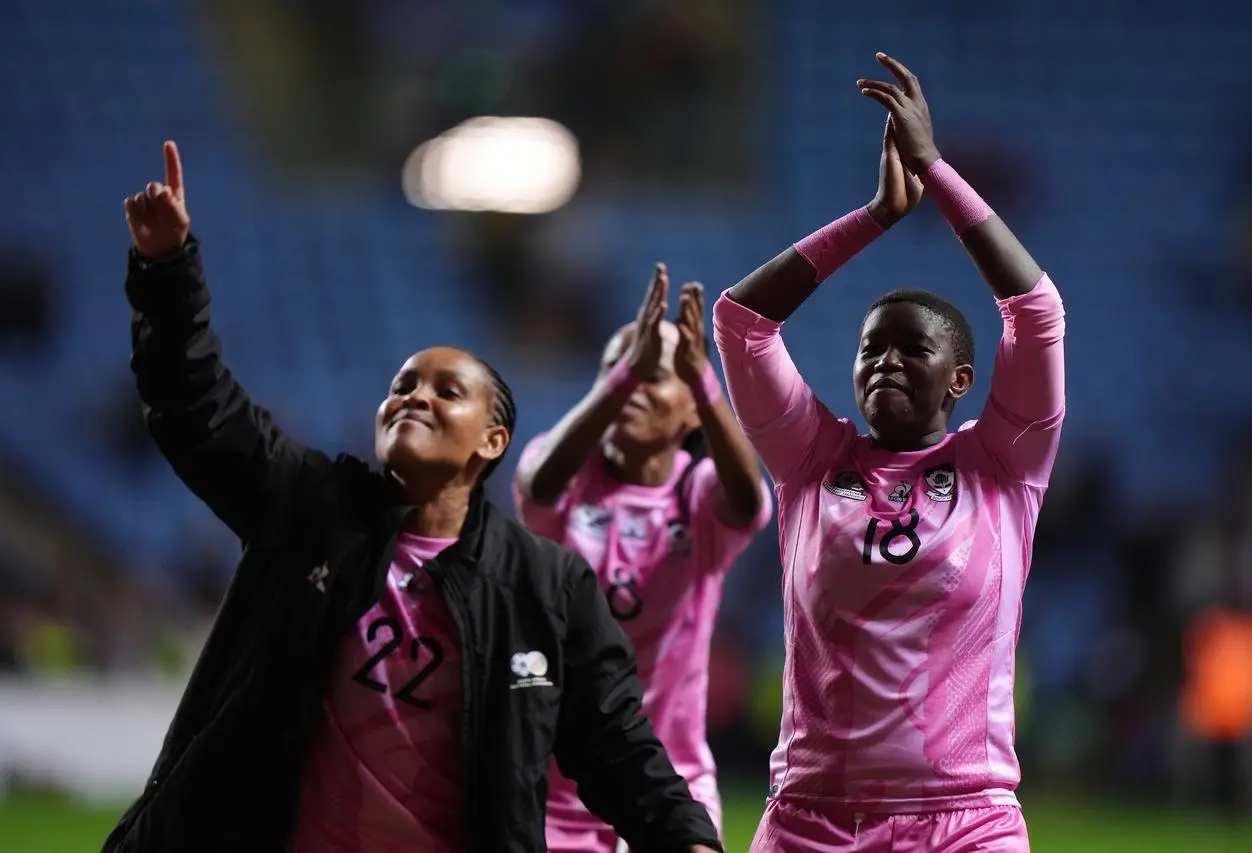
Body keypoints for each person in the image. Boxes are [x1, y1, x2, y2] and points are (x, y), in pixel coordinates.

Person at [104, 141, 723, 853]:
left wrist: (688, 838)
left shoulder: (542, 586)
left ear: (492, 441)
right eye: (401, 385)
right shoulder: (308, 508)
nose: (414, 396)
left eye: (446, 390)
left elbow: (616, 741)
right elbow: (196, 406)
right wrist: (167, 269)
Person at [712, 54, 1066, 852]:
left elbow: (1035, 311)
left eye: (913, 350)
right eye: (872, 350)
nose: (886, 364)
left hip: (966, 822)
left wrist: (936, 171)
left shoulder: (1004, 466)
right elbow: (739, 322)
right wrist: (875, 217)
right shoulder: (810, 459)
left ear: (962, 379)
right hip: (811, 818)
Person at [514, 267, 773, 851]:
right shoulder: (565, 480)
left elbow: (750, 500)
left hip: (669, 777)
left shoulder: (699, 495)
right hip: (554, 790)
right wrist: (632, 369)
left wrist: (707, 380)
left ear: (689, 411)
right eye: (614, 371)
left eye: (651, 377)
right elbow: (537, 485)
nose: (627, 387)